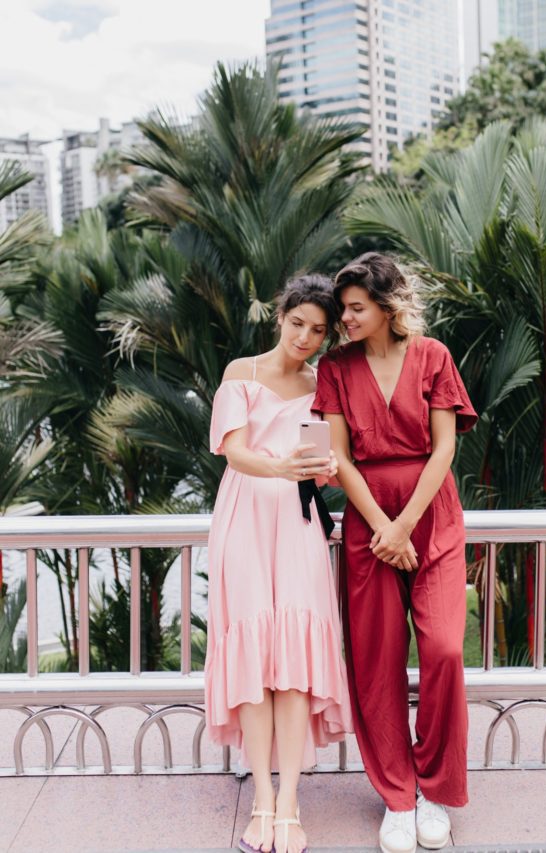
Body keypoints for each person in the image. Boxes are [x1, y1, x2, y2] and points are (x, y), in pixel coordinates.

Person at [312, 253, 477, 853]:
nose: (346, 319)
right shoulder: (335, 367)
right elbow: (340, 460)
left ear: (387, 306)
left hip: (429, 519)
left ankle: (435, 789)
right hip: (369, 523)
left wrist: (404, 527)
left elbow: (443, 449)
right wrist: (383, 528)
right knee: (375, 663)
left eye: (356, 309)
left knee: (445, 650)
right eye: (344, 309)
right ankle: (398, 798)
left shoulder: (433, 356)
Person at [204, 275, 352, 853]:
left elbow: (326, 457)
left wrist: (325, 468)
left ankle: (289, 803)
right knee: (254, 661)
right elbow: (235, 450)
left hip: (298, 522)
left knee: (294, 665)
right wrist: (281, 467)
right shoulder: (241, 372)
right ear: (280, 317)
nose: (306, 338)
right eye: (298, 324)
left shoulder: (323, 385)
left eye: (318, 330)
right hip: (244, 518)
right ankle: (261, 799)